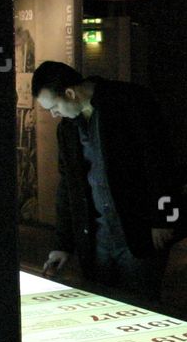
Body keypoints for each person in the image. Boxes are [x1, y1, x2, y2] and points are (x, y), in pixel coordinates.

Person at [33, 61, 175, 302]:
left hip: (138, 230)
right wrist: (63, 244)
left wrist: (165, 218)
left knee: (141, 306)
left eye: (54, 107)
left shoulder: (130, 102)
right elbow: (68, 187)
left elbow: (161, 162)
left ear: (70, 93)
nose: (53, 114)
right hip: (98, 238)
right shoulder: (68, 129)